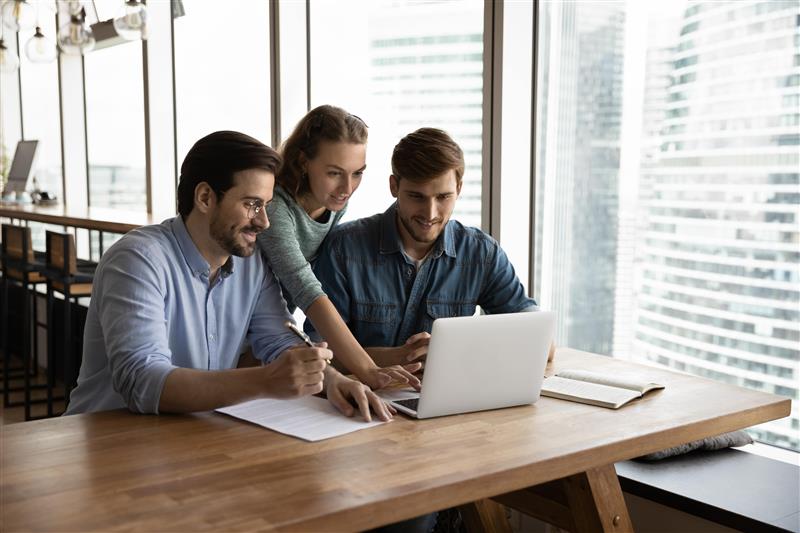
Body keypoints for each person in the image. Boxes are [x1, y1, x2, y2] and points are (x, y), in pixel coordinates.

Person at [65, 131, 389, 421]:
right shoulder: (137, 260)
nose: (264, 222)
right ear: (205, 198)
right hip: (108, 447)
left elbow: (279, 340)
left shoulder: (251, 264)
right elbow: (143, 382)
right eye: (251, 205)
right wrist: (264, 380)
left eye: (266, 205)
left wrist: (332, 380)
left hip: (191, 440)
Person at [309, 127, 543, 368]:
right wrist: (404, 357)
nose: (430, 214)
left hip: (450, 400)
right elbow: (321, 356)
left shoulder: (481, 254)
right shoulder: (343, 249)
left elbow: (542, 343)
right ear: (394, 187)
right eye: (417, 197)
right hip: (363, 400)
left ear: (459, 189)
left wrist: (455, 351)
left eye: (443, 197)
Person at [257, 105, 420, 390]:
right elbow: (305, 288)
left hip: (273, 336)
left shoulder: (333, 204)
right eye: (334, 173)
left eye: (357, 173)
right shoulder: (276, 207)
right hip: (242, 335)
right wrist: (368, 369)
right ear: (303, 162)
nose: (347, 187)